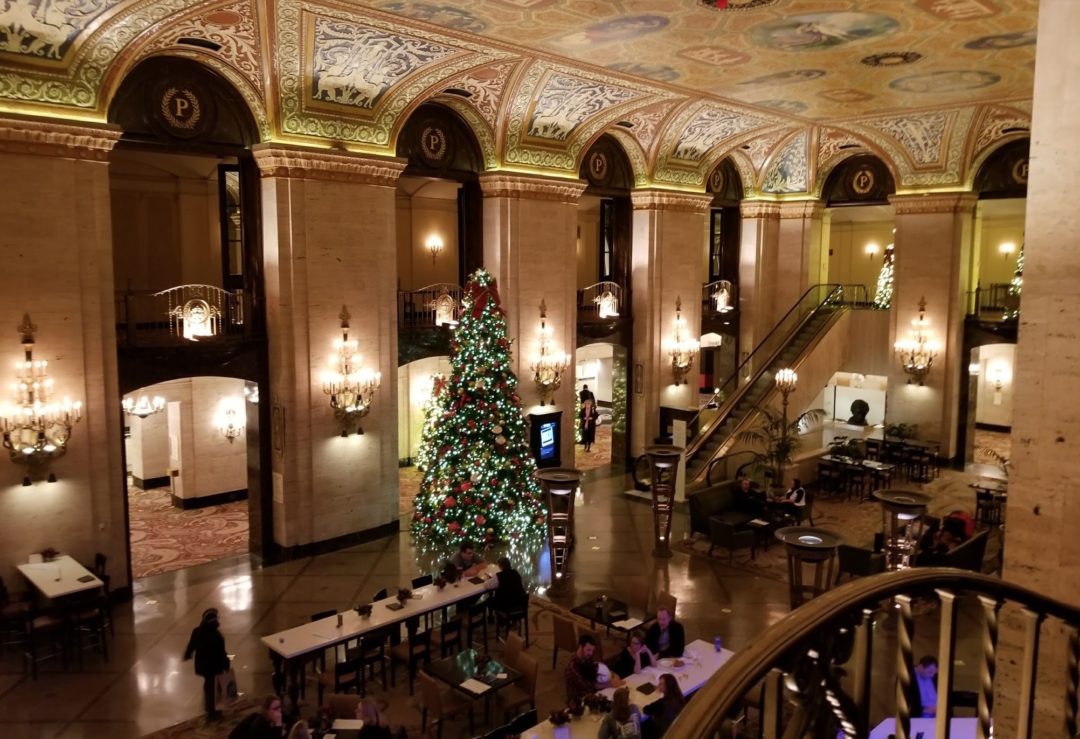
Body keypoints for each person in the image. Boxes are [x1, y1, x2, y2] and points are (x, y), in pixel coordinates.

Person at [183, 607, 230, 720]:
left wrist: (187, 654)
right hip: (214, 667)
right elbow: (221, 654)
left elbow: (191, 645)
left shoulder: (197, 631)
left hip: (202, 666)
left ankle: (209, 708)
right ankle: (211, 711)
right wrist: (226, 666)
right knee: (213, 687)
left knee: (209, 685)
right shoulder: (217, 636)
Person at [565, 633, 602, 705]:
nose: (591, 653)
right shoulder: (572, 666)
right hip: (578, 703)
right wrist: (608, 684)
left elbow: (596, 670)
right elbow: (586, 686)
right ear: (581, 647)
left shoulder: (586, 658)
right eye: (588, 650)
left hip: (590, 695)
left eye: (592, 650)